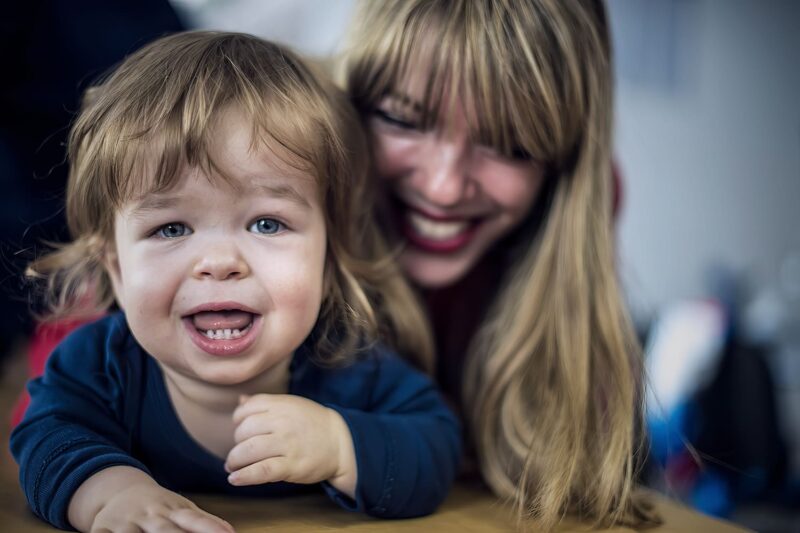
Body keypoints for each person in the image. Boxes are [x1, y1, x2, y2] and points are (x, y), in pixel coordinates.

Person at [10, 30, 460, 532]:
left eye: (267, 223)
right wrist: (112, 491)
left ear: (328, 254)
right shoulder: (101, 365)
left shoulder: (346, 362)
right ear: (115, 264)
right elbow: (47, 438)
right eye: (171, 228)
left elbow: (435, 443)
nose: (220, 262)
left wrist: (340, 445)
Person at [340, 0, 660, 529]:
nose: (443, 188)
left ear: (563, 165)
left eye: (509, 145)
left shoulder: (582, 210)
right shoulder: (282, 152)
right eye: (401, 119)